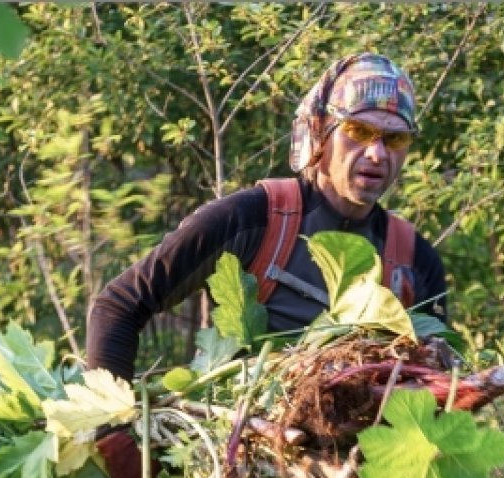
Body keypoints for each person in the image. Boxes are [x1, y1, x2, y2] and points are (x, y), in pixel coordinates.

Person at [86, 52, 448, 383]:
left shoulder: (414, 259)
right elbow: (120, 305)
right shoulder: (253, 219)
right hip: (236, 437)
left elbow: (435, 383)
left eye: (395, 139)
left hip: (356, 448)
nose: (376, 153)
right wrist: (113, 429)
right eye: (359, 131)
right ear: (320, 133)